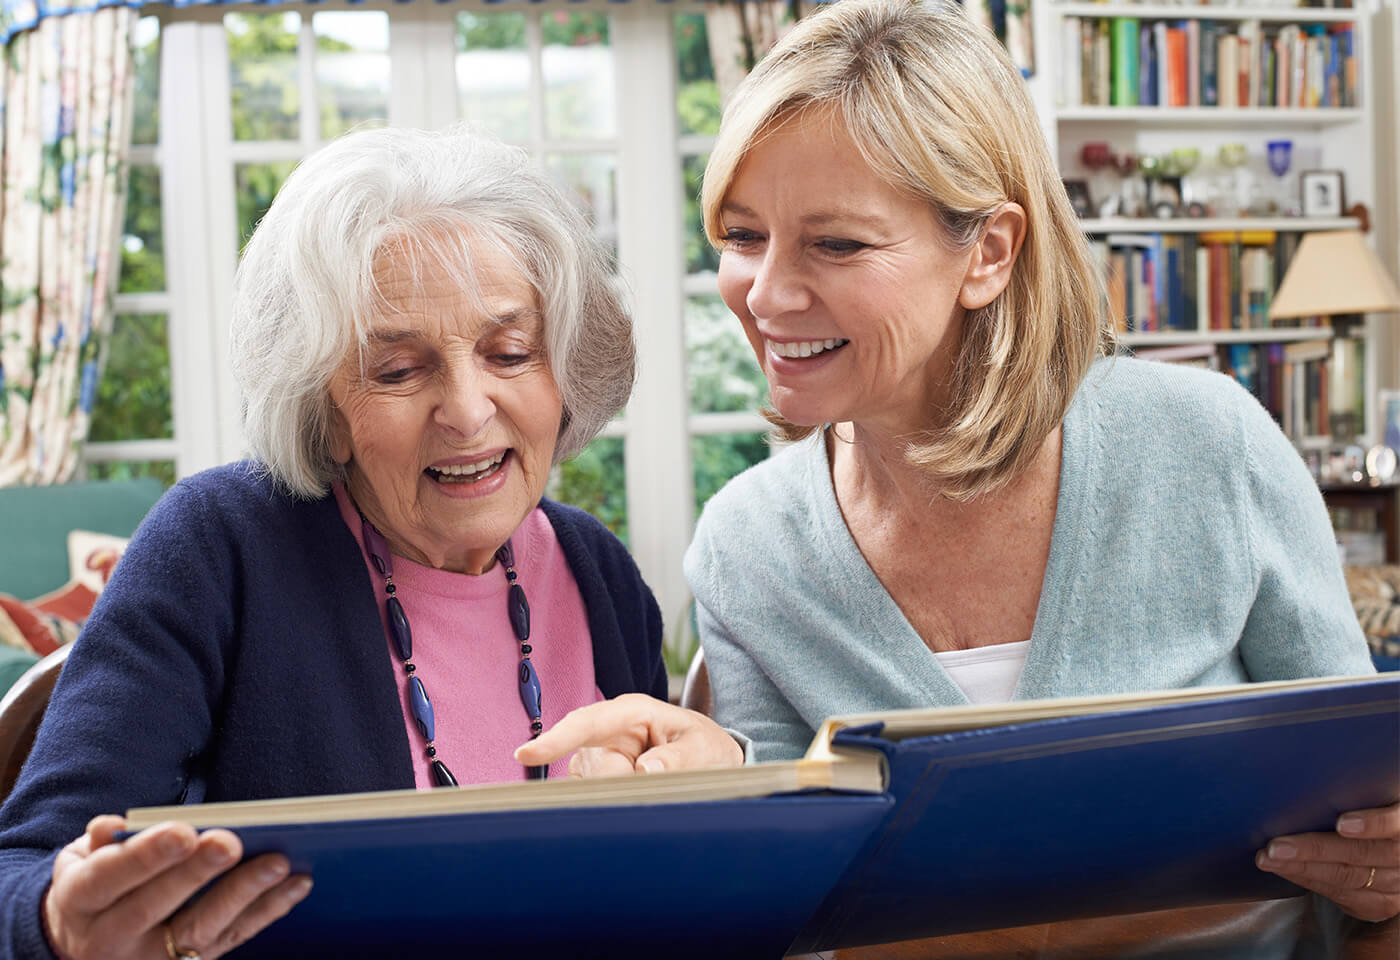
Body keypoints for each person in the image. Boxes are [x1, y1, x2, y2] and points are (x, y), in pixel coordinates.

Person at [685, 0, 1397, 927]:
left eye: (836, 242)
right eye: (742, 236)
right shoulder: (747, 545)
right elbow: (778, 911)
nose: (766, 292)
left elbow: (1364, 840)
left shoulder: (1209, 448)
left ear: (987, 251)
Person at [0, 125, 739, 960]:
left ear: (562, 374)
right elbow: (21, 872)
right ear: (327, 412)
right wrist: (60, 925)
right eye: (397, 371)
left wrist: (719, 812)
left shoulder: (596, 571)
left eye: (509, 352)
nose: (466, 409)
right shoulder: (220, 548)